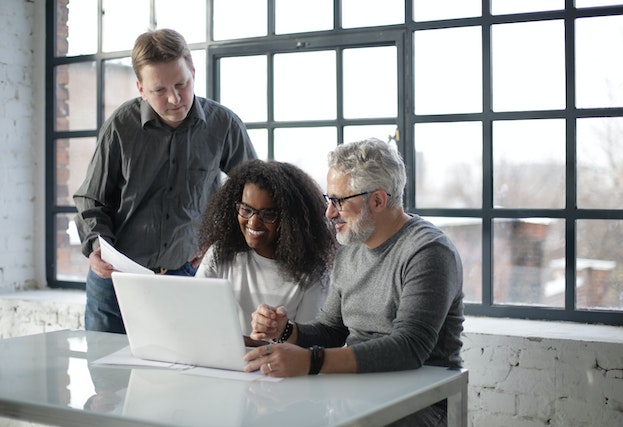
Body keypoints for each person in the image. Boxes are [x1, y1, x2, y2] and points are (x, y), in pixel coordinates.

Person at [245, 138, 464, 426]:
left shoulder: (428, 251)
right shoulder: (350, 246)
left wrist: (312, 362)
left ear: (377, 200)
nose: (329, 213)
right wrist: (284, 331)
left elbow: (409, 348)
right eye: (328, 199)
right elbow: (331, 329)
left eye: (338, 201)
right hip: (353, 390)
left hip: (418, 400)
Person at [74, 28, 256, 334]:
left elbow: (254, 193)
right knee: (108, 377)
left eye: (181, 84)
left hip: (186, 277)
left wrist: (222, 238)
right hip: (116, 280)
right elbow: (91, 200)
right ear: (141, 88)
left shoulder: (224, 125)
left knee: (178, 377)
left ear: (193, 72)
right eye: (159, 90)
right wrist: (95, 244)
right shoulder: (121, 126)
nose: (174, 98)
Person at [196, 159, 337, 335]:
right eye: (246, 210)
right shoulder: (220, 254)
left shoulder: (313, 273)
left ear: (290, 219)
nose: (253, 222)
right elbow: (197, 320)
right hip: (221, 359)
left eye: (268, 214)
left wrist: (269, 337)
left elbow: (306, 345)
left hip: (278, 362)